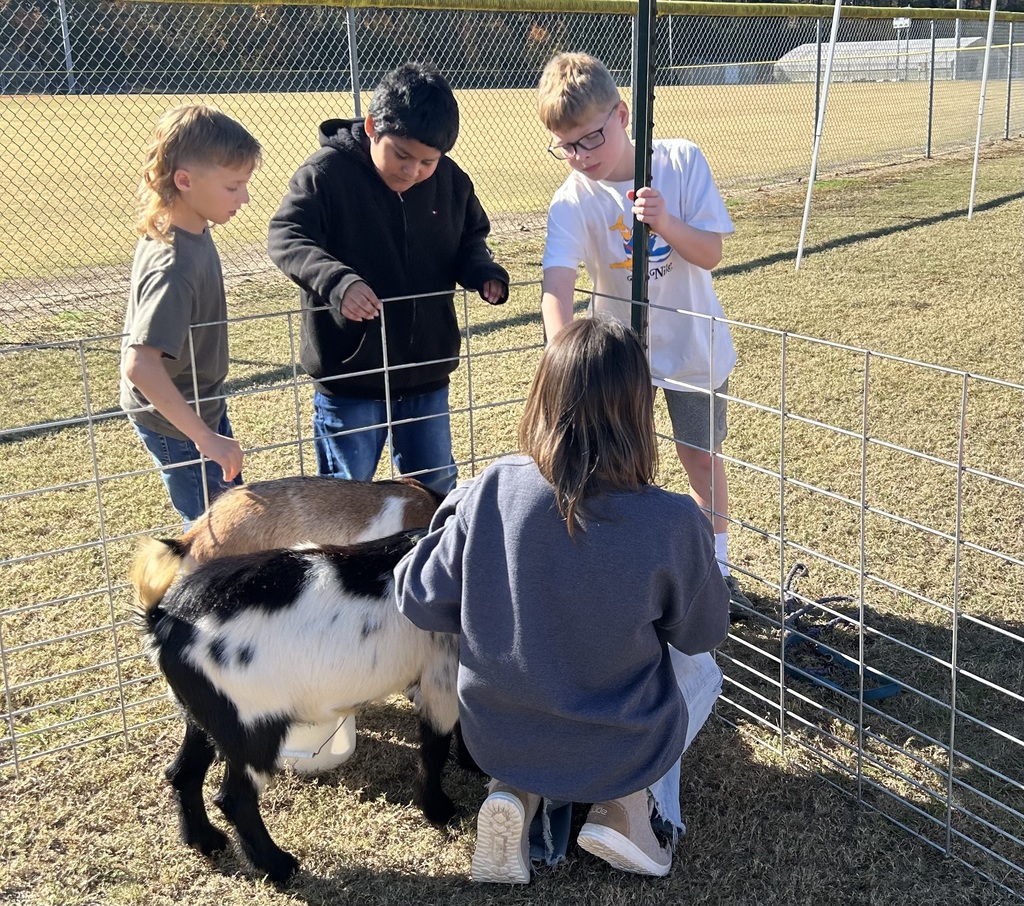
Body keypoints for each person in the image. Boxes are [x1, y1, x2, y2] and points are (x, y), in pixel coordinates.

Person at [394, 317, 729, 884]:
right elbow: (702, 635)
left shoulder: (492, 487)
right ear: (638, 411)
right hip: (617, 743)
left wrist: (457, 515)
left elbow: (418, 595)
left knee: (539, 672)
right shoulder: (674, 519)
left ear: (543, 395)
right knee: (704, 672)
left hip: (496, 736)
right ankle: (624, 809)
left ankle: (515, 795)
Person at [536, 52, 752, 618]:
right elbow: (556, 287)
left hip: (694, 349)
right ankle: (624, 576)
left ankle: (715, 575)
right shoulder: (571, 201)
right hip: (617, 360)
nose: (580, 157)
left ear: (623, 115)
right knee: (613, 465)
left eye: (590, 139)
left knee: (699, 458)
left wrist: (664, 221)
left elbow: (711, 253)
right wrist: (566, 357)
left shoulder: (678, 161)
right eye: (566, 145)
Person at [268, 62, 510, 496]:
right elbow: (287, 236)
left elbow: (471, 237)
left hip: (427, 374)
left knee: (434, 490)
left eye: (427, 162)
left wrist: (482, 271)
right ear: (372, 127)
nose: (412, 171)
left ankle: (428, 566)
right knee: (344, 497)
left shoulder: (452, 182)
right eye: (401, 154)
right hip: (351, 379)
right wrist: (338, 283)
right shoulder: (326, 174)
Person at [120, 104, 262, 524]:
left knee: (233, 518)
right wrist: (205, 439)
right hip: (177, 421)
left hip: (201, 406)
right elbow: (140, 365)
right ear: (184, 180)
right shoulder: (174, 265)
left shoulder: (192, 227)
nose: (245, 197)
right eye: (234, 186)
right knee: (213, 537)